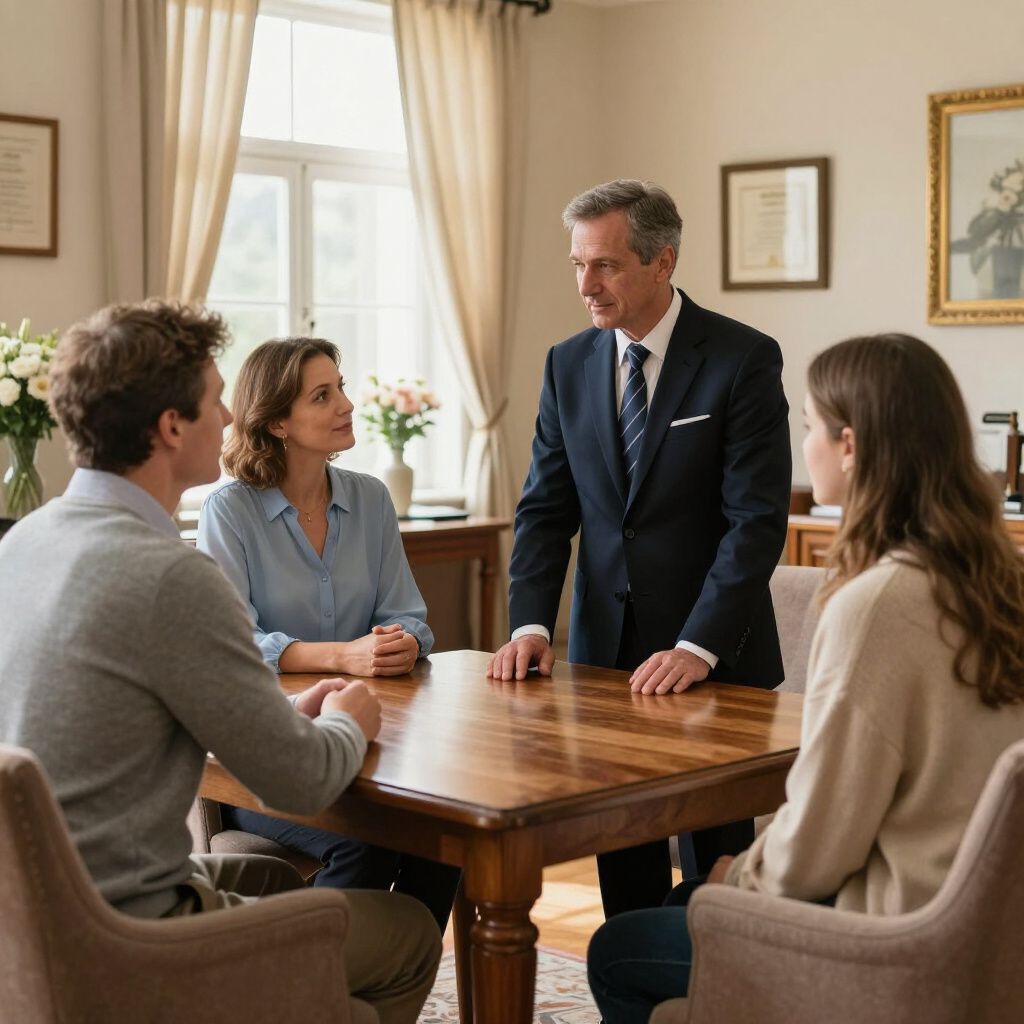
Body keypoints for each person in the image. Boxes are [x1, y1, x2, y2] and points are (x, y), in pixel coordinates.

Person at [0, 301, 440, 1024]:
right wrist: (347, 719)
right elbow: (301, 778)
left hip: (36, 915)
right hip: (132, 936)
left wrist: (287, 711)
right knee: (410, 935)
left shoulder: (25, 542)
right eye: (214, 402)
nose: (232, 420)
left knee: (268, 876)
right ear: (171, 428)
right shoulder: (170, 574)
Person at [587, 332, 1024, 1024]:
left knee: (617, 948)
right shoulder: (998, 581)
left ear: (850, 446)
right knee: (682, 902)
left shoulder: (875, 605)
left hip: (888, 938)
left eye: (811, 425)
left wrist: (745, 876)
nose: (806, 443)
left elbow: (824, 836)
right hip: (987, 929)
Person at [488, 179, 792, 917]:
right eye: (577, 266)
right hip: (603, 661)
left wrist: (697, 646)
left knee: (712, 872)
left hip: (716, 666)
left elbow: (754, 522)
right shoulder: (568, 364)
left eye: (606, 266)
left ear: (663, 261)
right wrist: (530, 622)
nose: (587, 286)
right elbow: (544, 510)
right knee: (623, 866)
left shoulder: (742, 359)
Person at [197, 337, 459, 932]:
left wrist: (404, 642)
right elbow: (234, 646)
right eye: (322, 395)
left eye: (340, 387)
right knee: (365, 843)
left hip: (377, 743)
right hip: (264, 757)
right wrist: (345, 654)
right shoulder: (228, 510)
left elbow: (409, 614)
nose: (345, 404)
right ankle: (317, 991)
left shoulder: (370, 498)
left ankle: (394, 990)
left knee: (447, 839)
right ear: (279, 422)